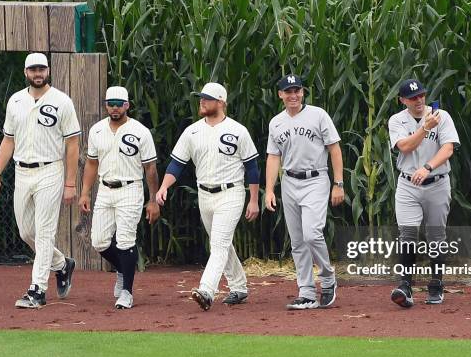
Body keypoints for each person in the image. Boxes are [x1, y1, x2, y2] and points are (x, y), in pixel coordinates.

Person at [156, 82, 260, 311]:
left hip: (231, 192)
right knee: (222, 242)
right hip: (205, 193)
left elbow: (252, 167)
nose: (202, 101)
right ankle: (239, 286)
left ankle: (206, 290)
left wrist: (253, 200)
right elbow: (177, 164)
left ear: (221, 102)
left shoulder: (238, 130)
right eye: (201, 97)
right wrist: (164, 187)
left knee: (219, 243)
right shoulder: (192, 131)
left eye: (208, 98)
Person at [0, 53, 80, 309]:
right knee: (26, 231)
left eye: (41, 68)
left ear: (48, 70)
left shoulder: (62, 101)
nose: (37, 73)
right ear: (25, 72)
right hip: (22, 171)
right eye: (33, 69)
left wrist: (70, 183)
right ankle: (62, 264)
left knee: (44, 231)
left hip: (50, 169)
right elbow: (8, 139)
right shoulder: (16, 100)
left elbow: (73, 144)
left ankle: (37, 290)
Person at [265, 74, 344, 310]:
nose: (293, 95)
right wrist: (269, 190)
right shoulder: (275, 122)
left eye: (297, 90)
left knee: (312, 234)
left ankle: (328, 277)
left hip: (316, 179)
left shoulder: (318, 115)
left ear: (303, 92)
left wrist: (338, 183)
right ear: (280, 95)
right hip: (289, 181)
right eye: (288, 91)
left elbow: (334, 149)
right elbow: (273, 156)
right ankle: (307, 291)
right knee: (298, 241)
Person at [79, 86, 160, 309]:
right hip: (105, 189)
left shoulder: (140, 131)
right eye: (110, 104)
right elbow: (92, 163)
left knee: (125, 240)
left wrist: (152, 200)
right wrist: (85, 192)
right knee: (99, 240)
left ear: (127, 105)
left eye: (118, 104)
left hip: (130, 188)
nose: (114, 108)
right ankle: (124, 270)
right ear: (106, 105)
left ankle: (127, 292)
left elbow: (150, 168)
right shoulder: (97, 130)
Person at [388, 78, 460, 307]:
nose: (418, 100)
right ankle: (405, 286)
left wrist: (428, 167)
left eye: (421, 95)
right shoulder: (397, 120)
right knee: (407, 234)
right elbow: (405, 147)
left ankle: (436, 284)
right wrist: (425, 127)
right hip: (408, 183)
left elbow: (448, 148)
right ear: (402, 100)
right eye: (412, 97)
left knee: (436, 236)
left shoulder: (442, 115)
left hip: (437, 182)